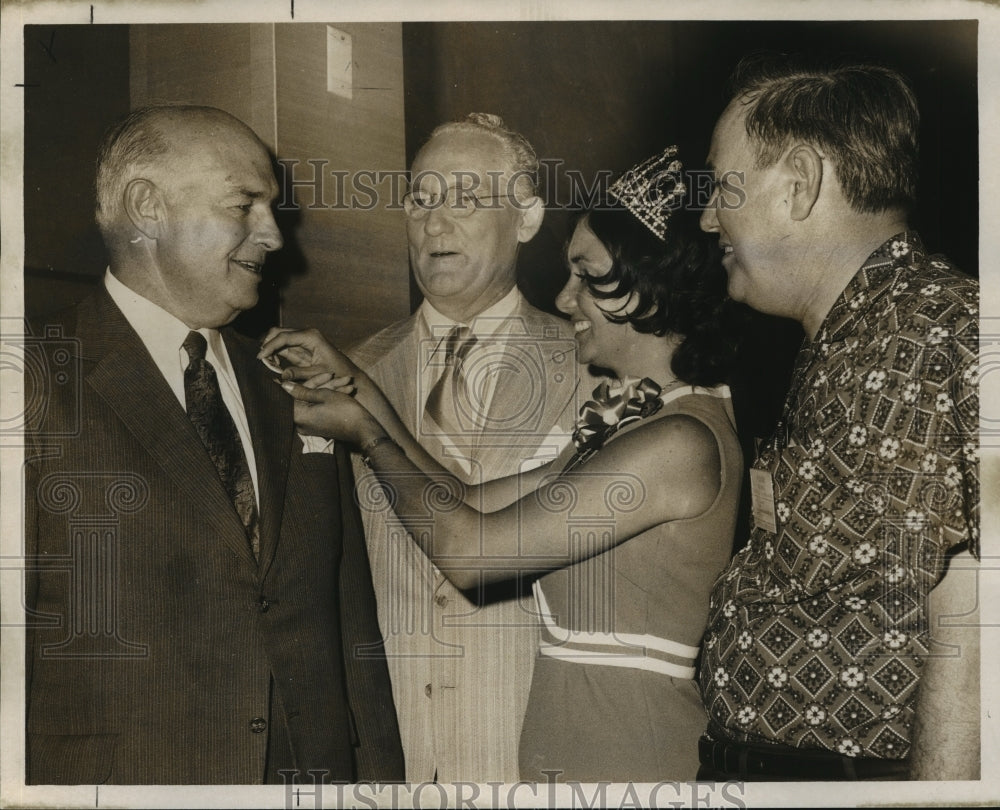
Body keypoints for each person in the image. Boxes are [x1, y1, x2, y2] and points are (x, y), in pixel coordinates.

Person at [262, 146, 743, 781]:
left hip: (629, 748)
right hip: (574, 742)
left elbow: (469, 553)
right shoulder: (640, 424)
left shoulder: (677, 444)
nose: (566, 297)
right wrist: (357, 387)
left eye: (586, 275)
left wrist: (370, 439)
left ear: (648, 284)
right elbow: (467, 500)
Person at [22, 105, 403, 784]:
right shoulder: (34, 377)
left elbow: (350, 631)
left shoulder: (294, 385)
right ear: (147, 208)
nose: (275, 236)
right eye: (245, 204)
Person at [697, 57, 979, 781]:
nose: (705, 218)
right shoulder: (857, 334)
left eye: (721, 187)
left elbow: (980, 615)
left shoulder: (938, 329)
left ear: (799, 182)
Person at [340, 113, 592, 782]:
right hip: (389, 760)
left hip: (537, 754)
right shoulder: (349, 376)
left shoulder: (593, 367)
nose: (434, 222)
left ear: (528, 217)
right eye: (420, 199)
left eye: (466, 197)